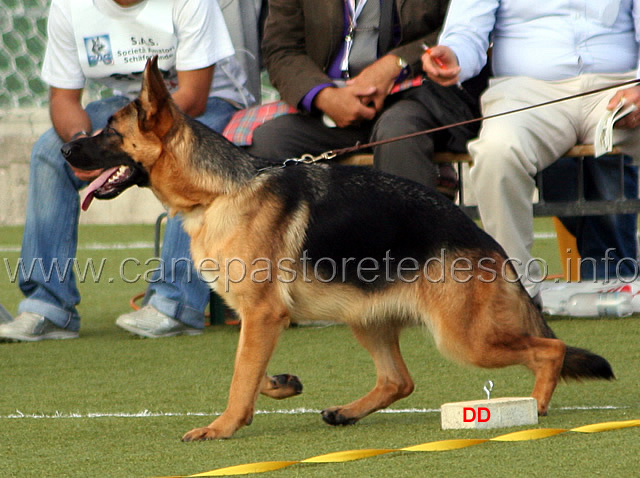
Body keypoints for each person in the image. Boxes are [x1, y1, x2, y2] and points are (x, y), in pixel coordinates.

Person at [0, 0, 256, 342]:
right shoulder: (69, 6)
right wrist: (84, 144)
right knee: (50, 152)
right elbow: (63, 99)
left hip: (211, 104)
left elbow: (193, 98)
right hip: (133, 110)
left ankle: (175, 303)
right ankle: (48, 306)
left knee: (182, 155)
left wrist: (127, 139)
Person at [423, 0, 640, 298]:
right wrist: (453, 54)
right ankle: (517, 294)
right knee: (496, 152)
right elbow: (466, 31)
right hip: (527, 94)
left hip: (621, 88)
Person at [243, 0, 486, 194]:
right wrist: (324, 96)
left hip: (413, 96)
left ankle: (408, 252)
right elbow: (281, 49)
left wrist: (396, 64)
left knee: (399, 133)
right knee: (271, 140)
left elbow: (460, 29)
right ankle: (299, 252)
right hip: (329, 103)